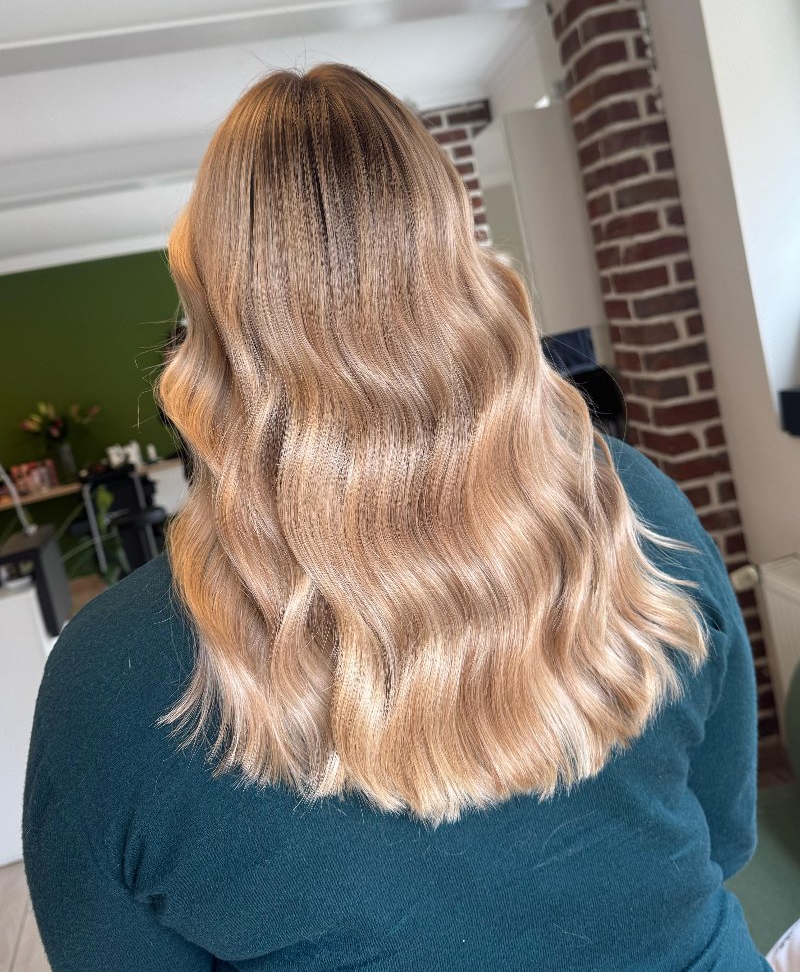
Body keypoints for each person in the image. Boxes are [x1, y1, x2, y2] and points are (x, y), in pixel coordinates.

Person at [23, 64, 776, 970]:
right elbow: (725, 830)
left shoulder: (109, 683)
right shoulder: (632, 505)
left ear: (208, 320)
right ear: (460, 268)